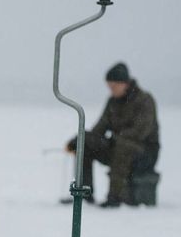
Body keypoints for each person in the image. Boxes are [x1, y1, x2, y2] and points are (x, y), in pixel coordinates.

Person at [66, 62, 160, 207]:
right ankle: (84, 194)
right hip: (117, 146)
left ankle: (115, 197)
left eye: (114, 86)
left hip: (144, 153)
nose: (111, 89)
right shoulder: (112, 102)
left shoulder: (144, 100)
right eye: (109, 86)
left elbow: (141, 131)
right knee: (86, 144)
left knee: (123, 146)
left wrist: (116, 138)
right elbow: (100, 128)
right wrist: (81, 140)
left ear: (125, 83)